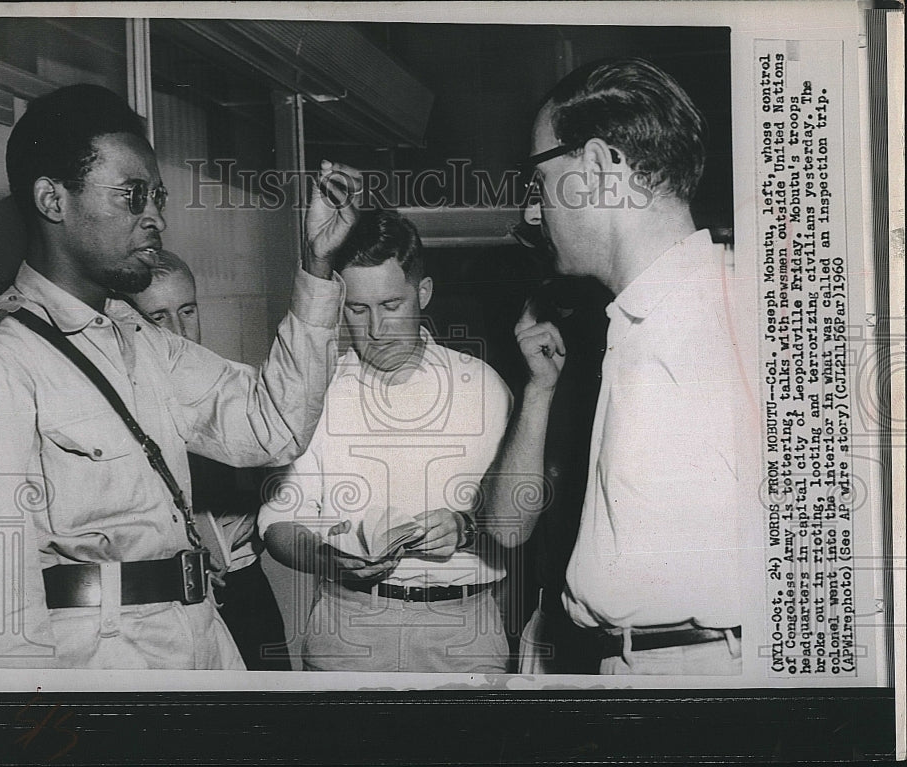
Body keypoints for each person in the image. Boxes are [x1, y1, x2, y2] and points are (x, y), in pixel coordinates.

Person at [0, 83, 361, 669]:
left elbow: (274, 427)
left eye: (157, 196)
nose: (156, 217)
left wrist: (317, 266)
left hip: (201, 642)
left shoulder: (143, 341)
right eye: (131, 196)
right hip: (99, 668)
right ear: (52, 199)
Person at [484, 58, 754, 675]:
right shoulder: (657, 310)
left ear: (602, 169)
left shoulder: (709, 318)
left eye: (539, 181)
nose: (533, 213)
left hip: (689, 672)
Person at [257, 209, 512, 672]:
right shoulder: (317, 394)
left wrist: (466, 529)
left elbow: (519, 523)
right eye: (358, 309)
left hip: (464, 633)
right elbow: (278, 525)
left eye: (391, 305)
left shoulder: (484, 389)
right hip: (349, 631)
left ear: (424, 293)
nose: (376, 328)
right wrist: (326, 558)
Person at [123, 250, 291, 670]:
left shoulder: (236, 392)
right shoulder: (120, 407)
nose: (179, 331)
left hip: (246, 586)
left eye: (188, 310)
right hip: (168, 603)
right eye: (158, 318)